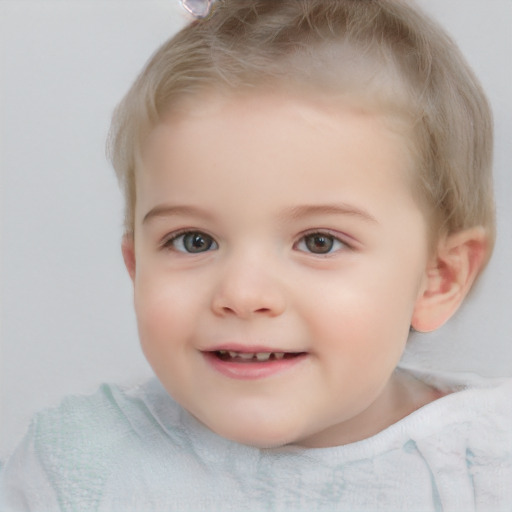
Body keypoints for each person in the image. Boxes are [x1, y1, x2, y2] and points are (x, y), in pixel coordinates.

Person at [2, 0, 511, 510]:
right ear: (136, 269)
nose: (243, 295)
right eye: (193, 241)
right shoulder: (78, 468)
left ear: (437, 279)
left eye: (319, 242)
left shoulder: (487, 469)